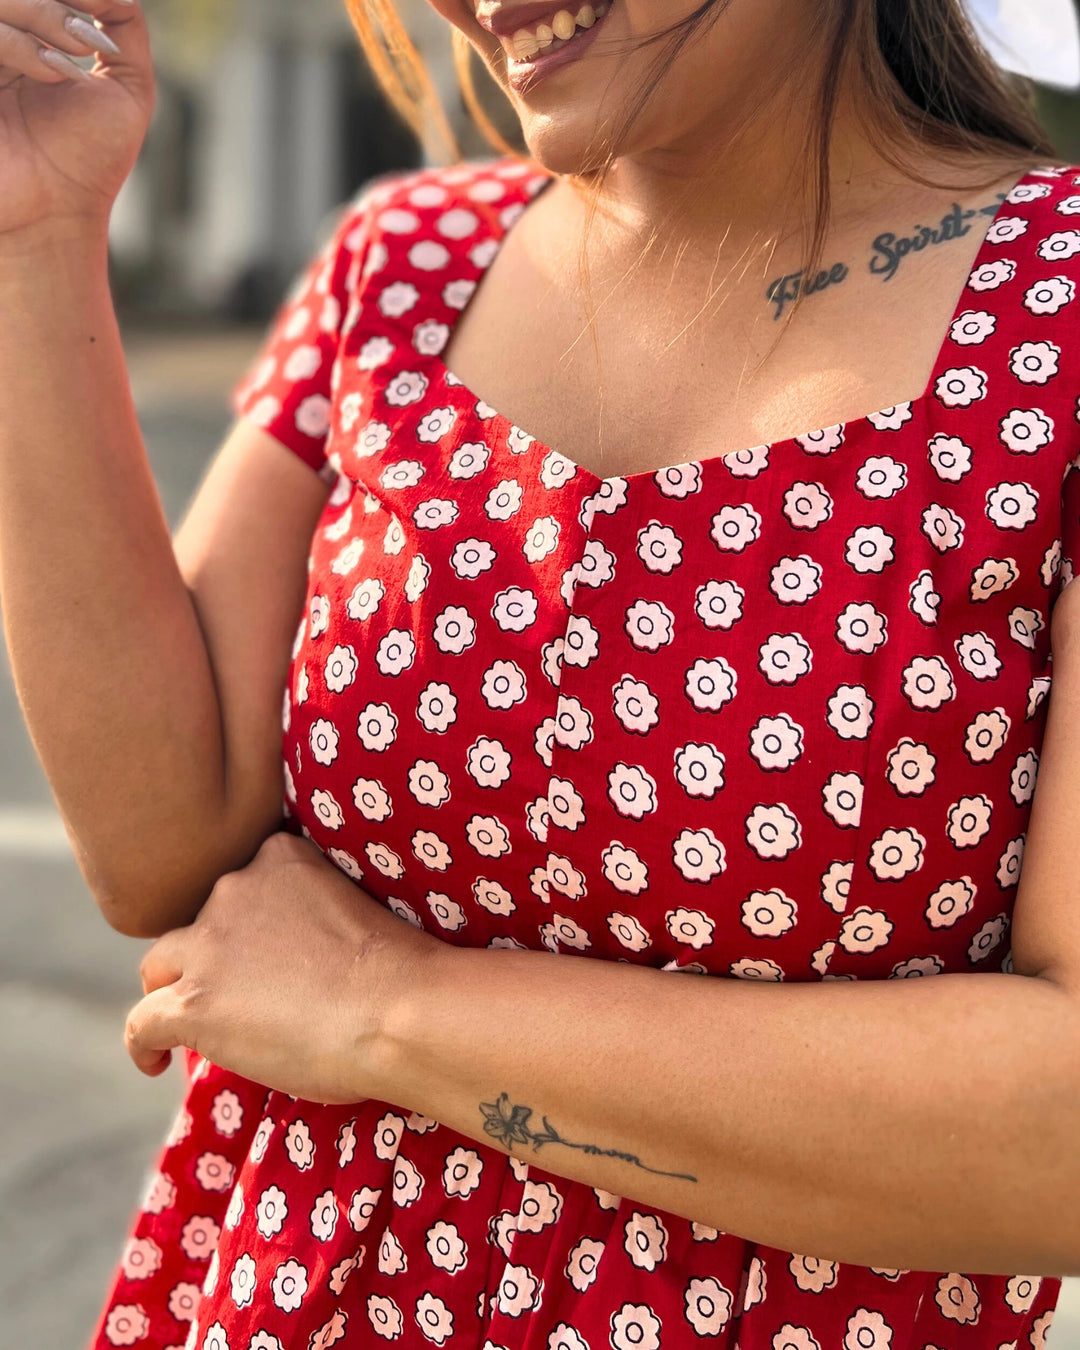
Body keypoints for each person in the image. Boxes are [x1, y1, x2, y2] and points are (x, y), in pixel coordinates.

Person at [0, 0, 1078, 1346]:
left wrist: (384, 1008)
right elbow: (163, 852)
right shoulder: (403, 268)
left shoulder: (1061, 317)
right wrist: (35, 238)